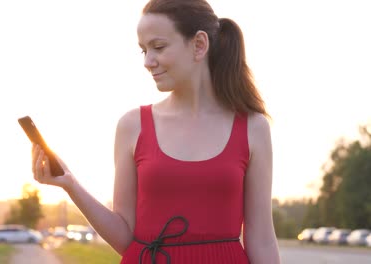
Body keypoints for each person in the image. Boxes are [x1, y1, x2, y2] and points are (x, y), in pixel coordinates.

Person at [32, 0, 281, 263]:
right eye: (143, 50)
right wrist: (70, 184)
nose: (148, 62)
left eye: (158, 47)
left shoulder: (253, 127)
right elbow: (125, 237)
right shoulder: (132, 126)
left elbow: (262, 238)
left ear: (199, 45)